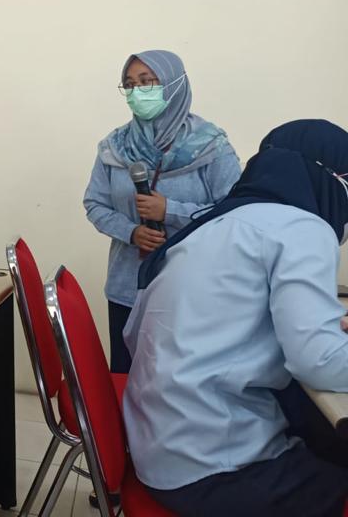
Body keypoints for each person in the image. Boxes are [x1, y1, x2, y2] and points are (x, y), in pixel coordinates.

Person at [124, 120, 348, 516]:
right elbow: (318, 362)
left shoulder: (214, 224)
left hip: (157, 447)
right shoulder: (302, 227)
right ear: (331, 179)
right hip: (218, 470)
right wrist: (325, 340)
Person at [83, 49, 240, 373]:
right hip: (128, 288)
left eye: (147, 81)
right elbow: (95, 203)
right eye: (129, 84)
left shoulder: (211, 145)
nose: (137, 92)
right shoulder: (115, 146)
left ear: (174, 84)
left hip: (190, 291)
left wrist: (170, 210)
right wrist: (131, 232)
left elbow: (234, 212)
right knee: (127, 380)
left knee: (180, 383)